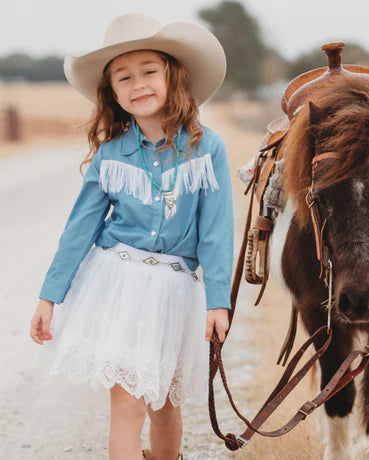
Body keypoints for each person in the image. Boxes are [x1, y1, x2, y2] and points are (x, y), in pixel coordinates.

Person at [29, 12, 233, 460]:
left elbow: (217, 232)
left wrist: (218, 301)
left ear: (173, 77)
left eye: (149, 71)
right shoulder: (111, 156)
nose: (137, 84)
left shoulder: (208, 150)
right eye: (124, 77)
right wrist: (50, 296)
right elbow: (79, 230)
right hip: (119, 285)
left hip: (176, 291)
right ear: (113, 93)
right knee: (127, 402)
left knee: (164, 405)